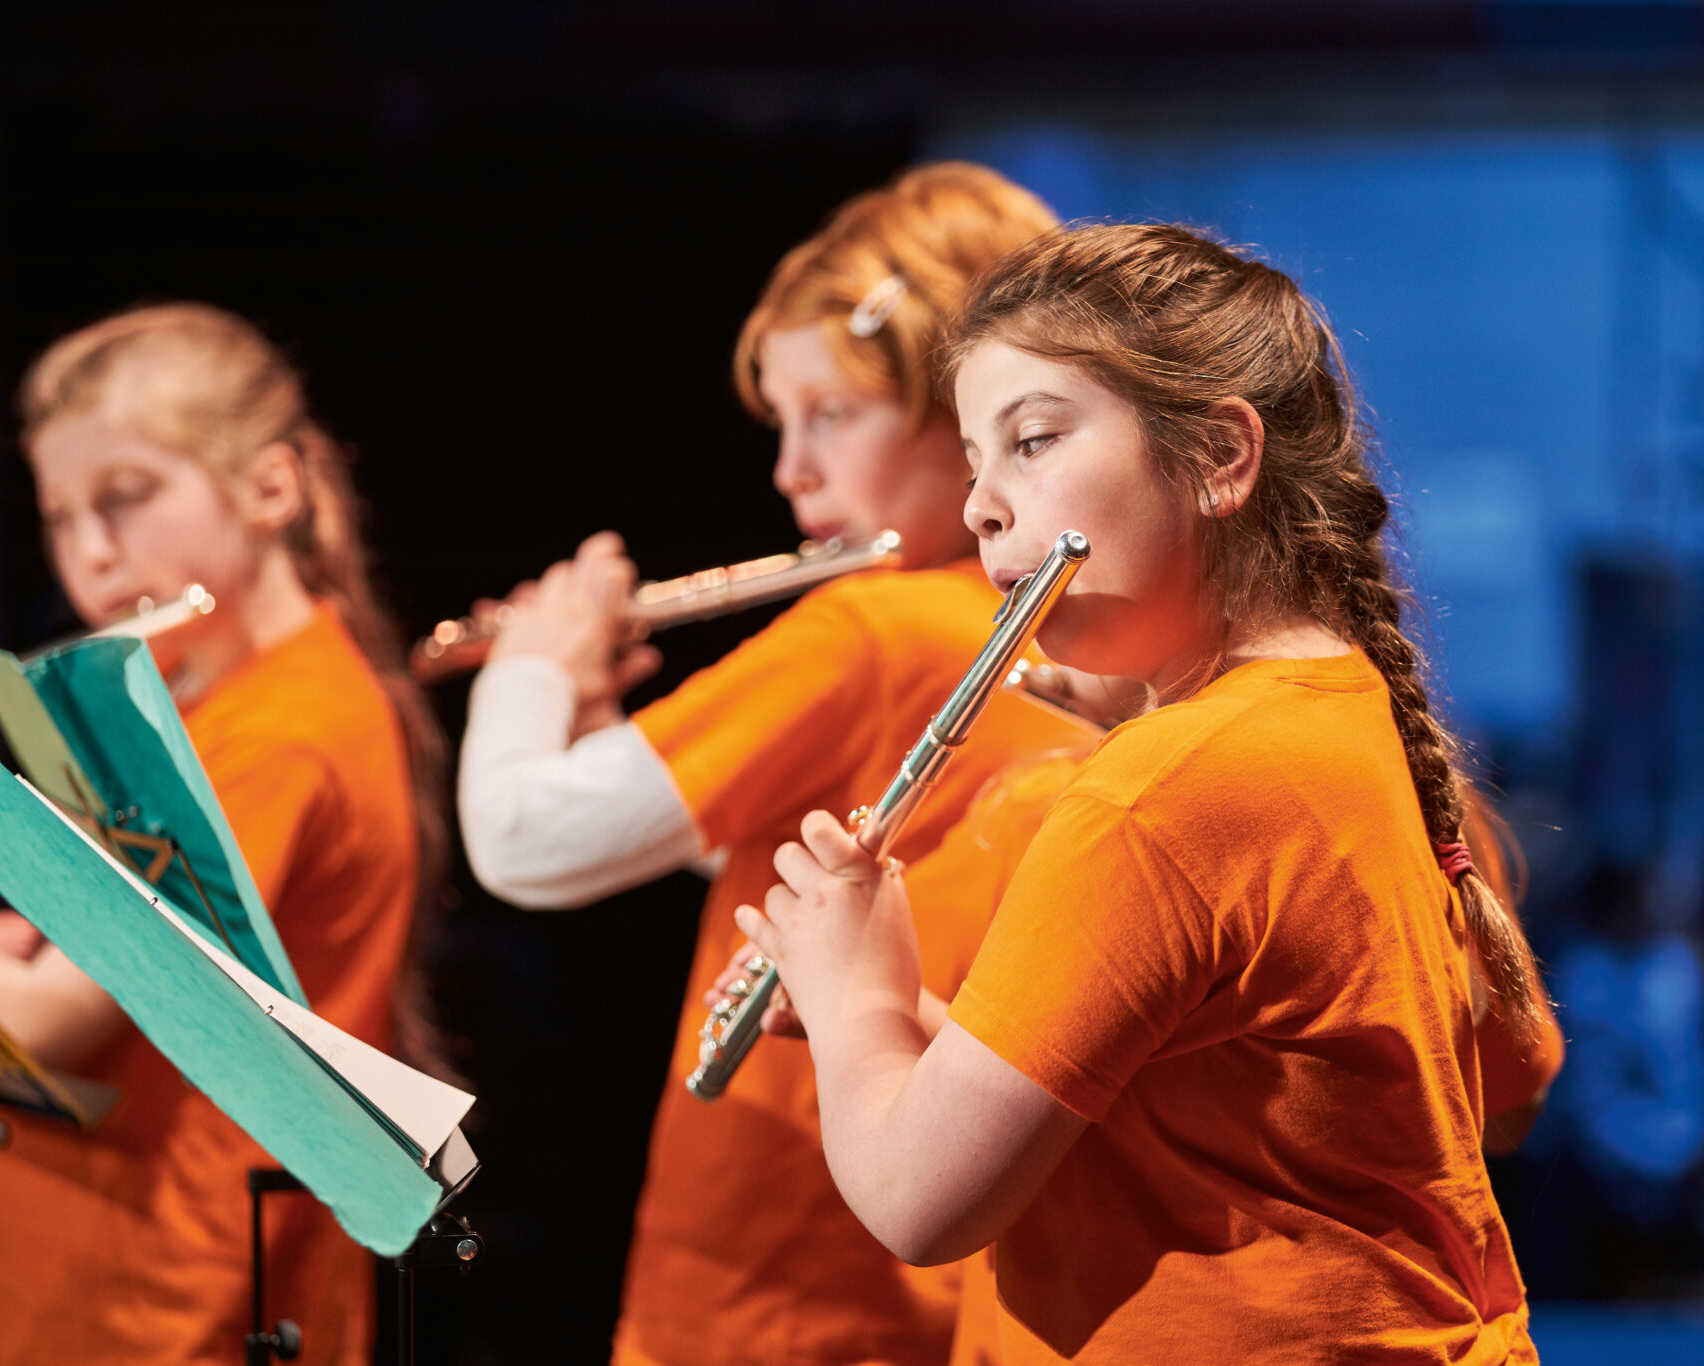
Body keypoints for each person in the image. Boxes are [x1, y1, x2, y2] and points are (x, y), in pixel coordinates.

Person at [738, 224, 1548, 1363]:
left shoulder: (1162, 792)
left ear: (1220, 455)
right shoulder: (1338, 706)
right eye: (974, 460)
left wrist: (852, 1000)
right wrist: (904, 1021)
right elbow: (1191, 1109)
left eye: (1031, 441)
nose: (980, 505)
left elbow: (916, 1202)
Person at [454, 162, 1091, 1366]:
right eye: (782, 422)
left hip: (769, 1270)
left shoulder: (874, 630)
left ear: (962, 412)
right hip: (937, 1276)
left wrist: (529, 664)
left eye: (832, 415)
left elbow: (523, 843)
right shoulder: (1068, 635)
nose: (789, 470)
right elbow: (758, 852)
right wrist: (593, 728)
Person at [0, 302, 442, 1364]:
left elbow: (54, 1019)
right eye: (60, 516)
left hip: (167, 1307)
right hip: (107, 1276)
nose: (91, 556)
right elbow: (132, 971)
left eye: (127, 497)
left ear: (270, 489)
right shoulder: (211, 704)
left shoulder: (278, 733)